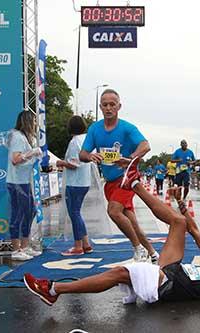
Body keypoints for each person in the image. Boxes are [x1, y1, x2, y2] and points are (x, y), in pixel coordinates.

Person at [23, 157, 200, 306]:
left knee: (119, 273)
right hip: (175, 269)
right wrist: (180, 204)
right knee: (179, 222)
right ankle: (134, 183)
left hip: (172, 286)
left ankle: (54, 289)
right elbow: (194, 230)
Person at [79, 88, 159, 263]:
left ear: (119, 106)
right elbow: (82, 154)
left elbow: (145, 146)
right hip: (110, 182)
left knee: (114, 212)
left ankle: (138, 249)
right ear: (100, 107)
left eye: (112, 105)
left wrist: (129, 159)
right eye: (105, 105)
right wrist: (90, 156)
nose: (108, 108)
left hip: (127, 178)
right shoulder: (95, 129)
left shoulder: (127, 128)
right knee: (131, 221)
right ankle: (153, 253)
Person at [6, 110, 43, 261]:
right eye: (34, 121)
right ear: (27, 121)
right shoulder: (18, 137)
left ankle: (25, 245)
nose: (35, 124)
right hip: (16, 182)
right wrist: (32, 153)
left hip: (23, 181)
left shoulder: (25, 138)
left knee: (29, 212)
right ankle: (16, 249)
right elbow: (15, 159)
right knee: (19, 214)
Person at [56, 116, 93, 256]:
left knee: (74, 213)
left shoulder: (74, 142)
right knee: (77, 213)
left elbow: (73, 164)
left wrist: (61, 162)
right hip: (84, 181)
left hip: (74, 183)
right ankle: (86, 243)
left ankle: (78, 246)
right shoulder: (86, 140)